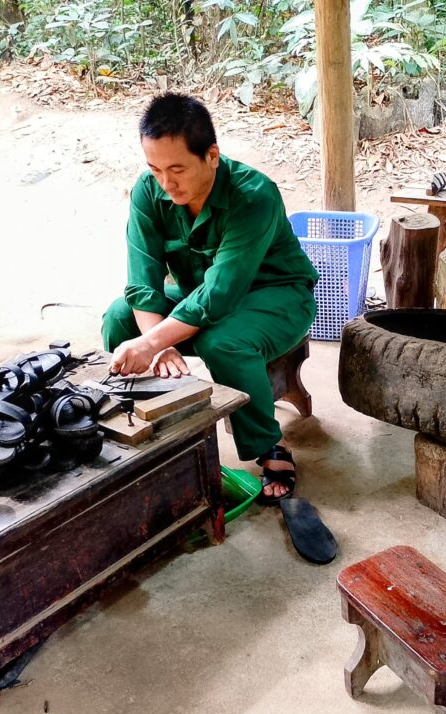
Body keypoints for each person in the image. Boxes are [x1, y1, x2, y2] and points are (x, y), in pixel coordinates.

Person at [102, 92, 318, 505]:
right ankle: (157, 426)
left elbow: (220, 295)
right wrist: (156, 346)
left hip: (275, 295)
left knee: (222, 341)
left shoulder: (254, 195)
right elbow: (141, 280)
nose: (166, 183)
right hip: (195, 293)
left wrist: (153, 342)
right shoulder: (149, 191)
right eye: (155, 168)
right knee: (118, 317)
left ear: (212, 155)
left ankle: (269, 445)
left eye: (178, 169)